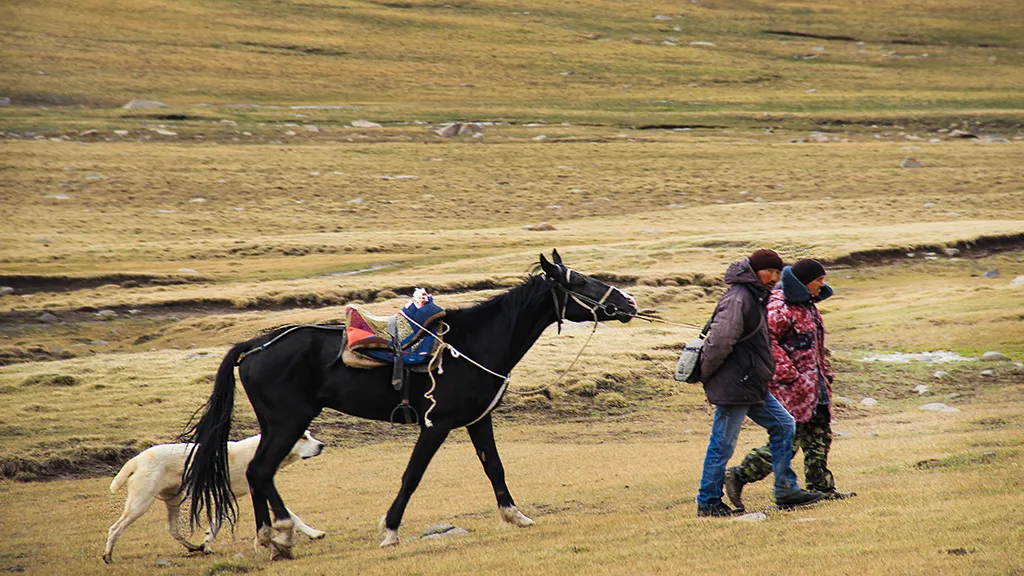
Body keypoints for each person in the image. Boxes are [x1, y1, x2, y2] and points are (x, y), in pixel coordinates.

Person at [696, 249, 824, 517]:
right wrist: (709, 378)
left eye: (778, 273)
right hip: (736, 383)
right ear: (755, 270)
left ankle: (785, 490)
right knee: (723, 444)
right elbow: (719, 342)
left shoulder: (755, 296)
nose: (774, 277)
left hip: (752, 382)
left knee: (784, 424)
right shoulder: (739, 298)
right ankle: (708, 502)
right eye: (770, 271)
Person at [724, 259, 855, 510]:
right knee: (787, 441)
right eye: (819, 280)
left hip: (815, 385)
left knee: (819, 436)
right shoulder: (779, 306)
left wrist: (823, 373)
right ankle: (739, 475)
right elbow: (768, 342)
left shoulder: (807, 305)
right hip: (792, 388)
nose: (822, 285)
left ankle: (821, 488)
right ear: (806, 282)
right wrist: (789, 374)